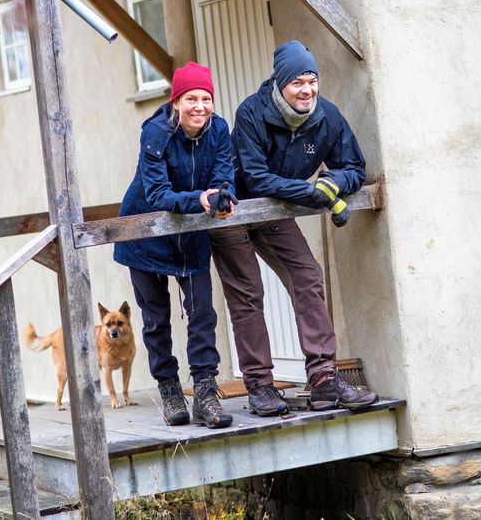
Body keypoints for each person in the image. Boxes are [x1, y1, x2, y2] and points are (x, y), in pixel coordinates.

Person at [210, 40, 378, 416]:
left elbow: (354, 166)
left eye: (311, 80)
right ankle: (260, 387)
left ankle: (323, 381)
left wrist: (334, 182)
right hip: (233, 211)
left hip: (275, 212)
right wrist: (309, 191)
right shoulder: (252, 113)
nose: (307, 90)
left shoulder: (327, 116)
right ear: (280, 83)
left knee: (307, 276)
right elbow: (256, 177)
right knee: (248, 295)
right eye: (298, 82)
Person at [113, 62, 236, 429]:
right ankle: (169, 389)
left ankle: (206, 393)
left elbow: (223, 174)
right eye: (191, 99)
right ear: (177, 101)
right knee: (156, 319)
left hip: (191, 230)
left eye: (206, 99)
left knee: (202, 314)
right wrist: (200, 199)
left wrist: (222, 197)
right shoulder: (155, 133)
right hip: (146, 232)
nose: (200, 106)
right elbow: (156, 193)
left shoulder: (218, 130)